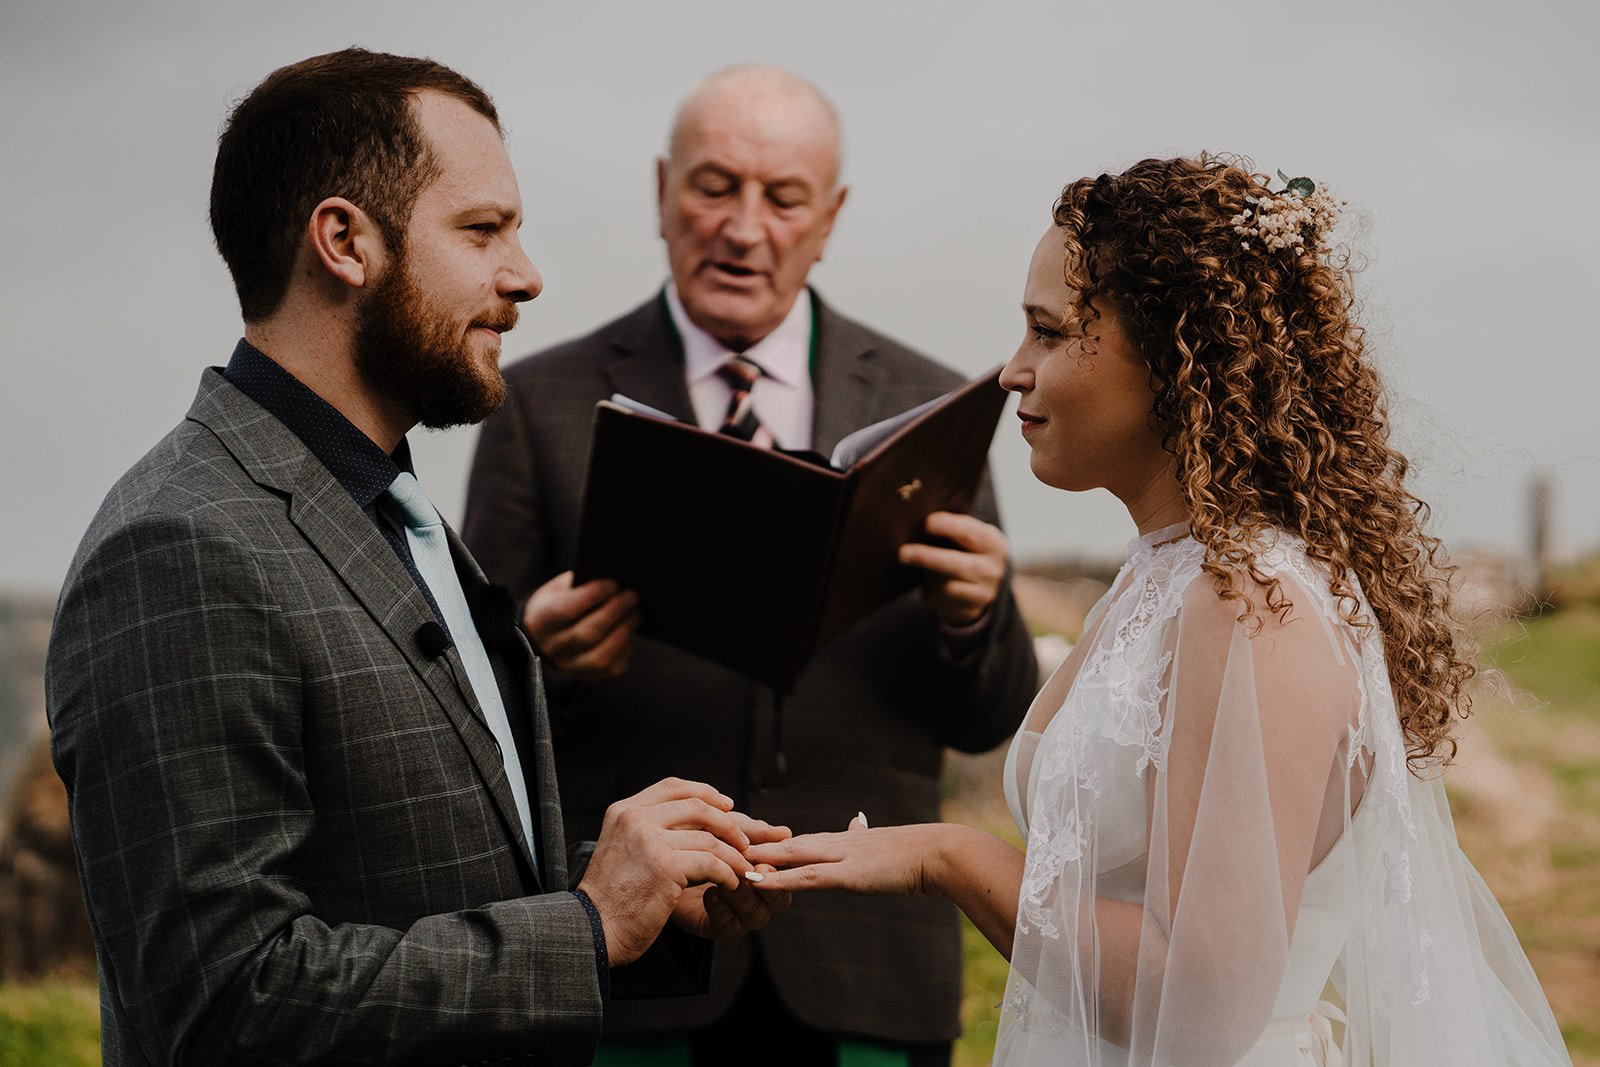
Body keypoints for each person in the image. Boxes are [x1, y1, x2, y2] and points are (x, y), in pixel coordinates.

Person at [45, 48, 789, 1066]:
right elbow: (219, 1001)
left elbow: (417, 877)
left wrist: (640, 892)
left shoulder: (388, 508)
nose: (525, 276)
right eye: (483, 230)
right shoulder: (180, 545)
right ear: (345, 241)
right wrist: (584, 922)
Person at [745, 156, 1572, 1066]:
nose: (1012, 371)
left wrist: (950, 858)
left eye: (1048, 332)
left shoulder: (1250, 607)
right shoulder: (1161, 577)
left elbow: (1206, 1000)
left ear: (1178, 357)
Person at [464, 64, 1038, 1064]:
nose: (742, 228)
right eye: (713, 185)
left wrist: (974, 615)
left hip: (871, 969)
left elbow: (989, 716)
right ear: (661, 190)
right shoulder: (535, 403)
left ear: (831, 216)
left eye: (783, 198)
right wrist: (542, 661)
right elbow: (472, 721)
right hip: (633, 968)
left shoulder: (931, 402)